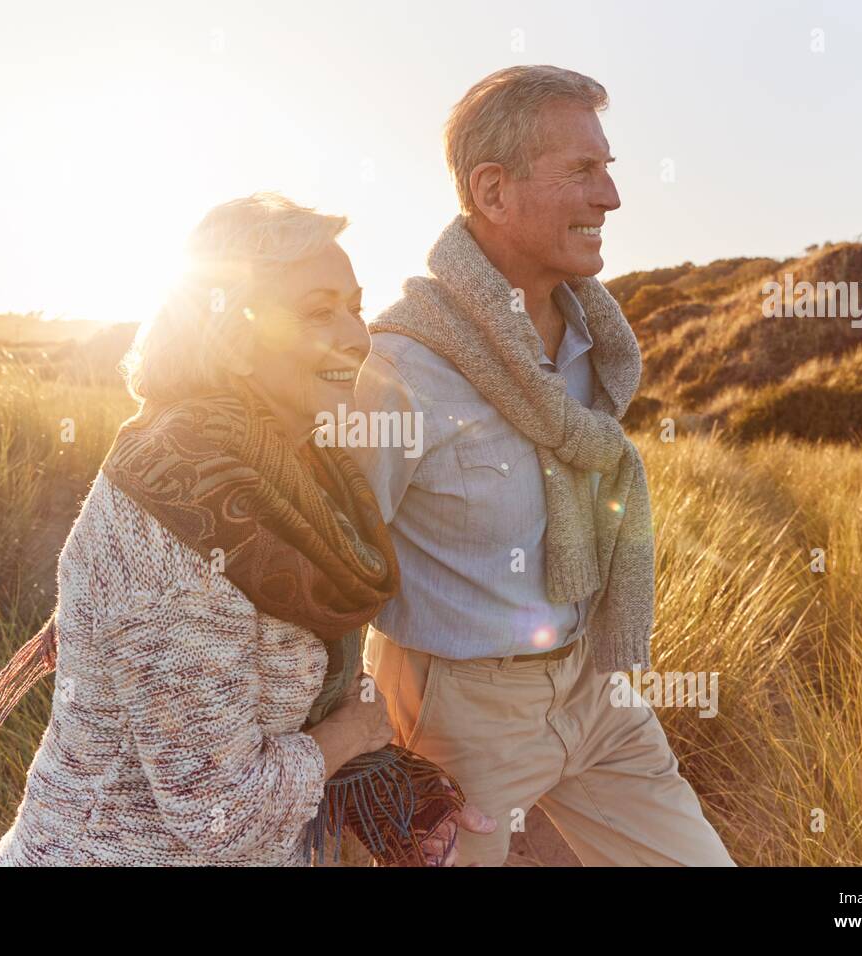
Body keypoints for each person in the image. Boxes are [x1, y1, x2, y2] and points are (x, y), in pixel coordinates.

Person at [0, 193, 492, 866]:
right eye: (319, 311)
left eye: (354, 306)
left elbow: (291, 684)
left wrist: (389, 784)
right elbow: (218, 813)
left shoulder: (299, 472)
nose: (356, 335)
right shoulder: (175, 510)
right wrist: (354, 733)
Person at [350, 65, 736, 866]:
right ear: (493, 192)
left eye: (609, 170)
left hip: (595, 685)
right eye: (582, 173)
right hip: (456, 719)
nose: (611, 200)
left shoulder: (597, 341)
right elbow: (331, 574)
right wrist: (360, 749)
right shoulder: (401, 367)